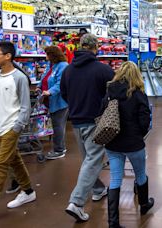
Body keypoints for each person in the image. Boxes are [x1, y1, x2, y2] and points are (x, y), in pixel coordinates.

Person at [60, 33, 113, 222]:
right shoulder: (103, 70)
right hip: (95, 121)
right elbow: (114, 92)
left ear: (80, 46)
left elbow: (64, 93)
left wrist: (76, 107)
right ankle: (77, 202)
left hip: (76, 121)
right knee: (92, 160)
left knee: (88, 159)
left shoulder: (67, 70)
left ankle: (98, 189)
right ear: (95, 47)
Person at [0, 42, 36, 224]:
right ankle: (28, 191)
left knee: (0, 164)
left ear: (8, 56)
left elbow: (25, 107)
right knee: (15, 160)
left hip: (10, 129)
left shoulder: (19, 78)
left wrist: (16, 128)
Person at [104, 61, 154, 228]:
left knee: (115, 178)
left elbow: (102, 112)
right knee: (140, 175)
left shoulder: (110, 90)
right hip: (133, 143)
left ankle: (113, 222)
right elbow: (145, 120)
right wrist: (139, 134)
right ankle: (144, 205)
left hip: (112, 142)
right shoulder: (139, 93)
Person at [36, 46, 69, 160]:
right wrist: (39, 86)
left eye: (47, 54)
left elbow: (61, 83)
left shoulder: (63, 66)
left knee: (58, 126)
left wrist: (50, 92)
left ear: (53, 54)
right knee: (57, 125)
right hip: (49, 101)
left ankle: (59, 150)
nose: (45, 56)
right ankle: (61, 147)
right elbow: (44, 78)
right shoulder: (51, 65)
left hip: (60, 102)